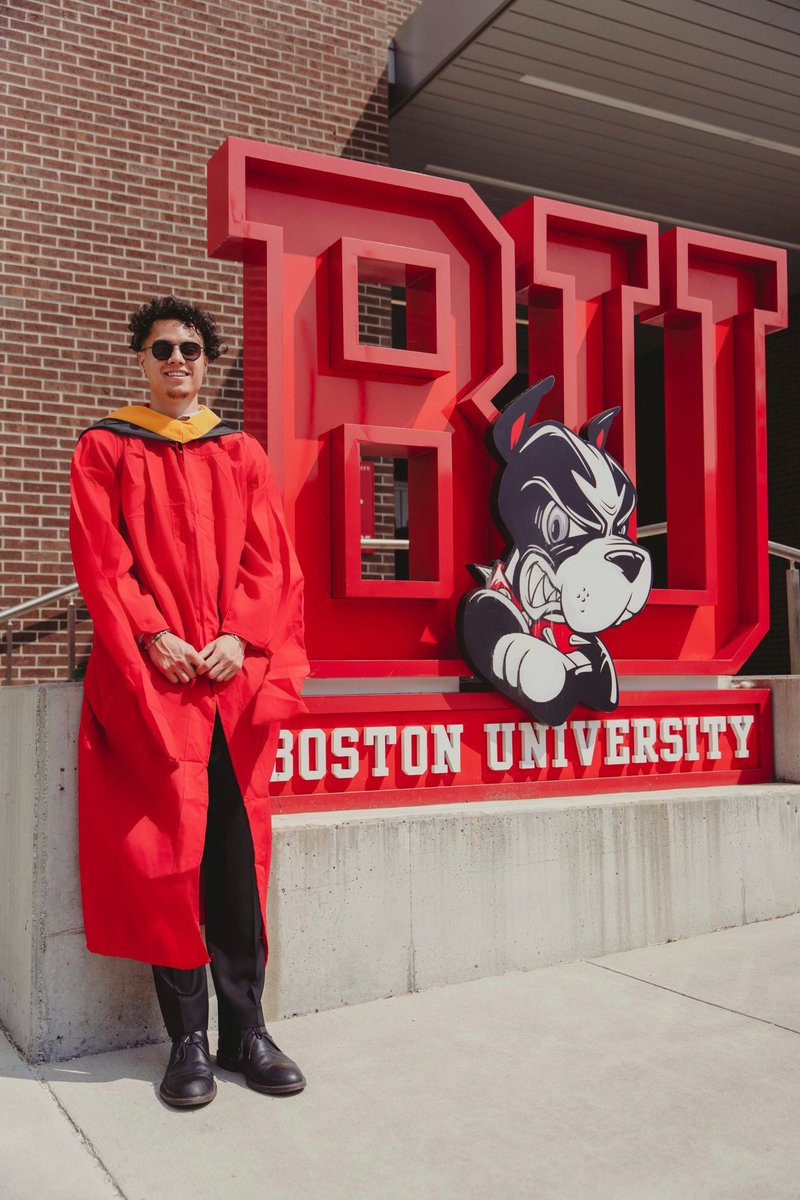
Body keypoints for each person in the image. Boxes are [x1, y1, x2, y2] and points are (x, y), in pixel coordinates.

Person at [69, 296, 308, 1108]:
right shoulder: (106, 447)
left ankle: (249, 1033)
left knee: (237, 866)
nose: (179, 361)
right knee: (168, 863)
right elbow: (103, 561)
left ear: (208, 362)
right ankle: (189, 1043)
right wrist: (148, 635)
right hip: (156, 685)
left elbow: (270, 562)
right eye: (163, 349)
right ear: (141, 359)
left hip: (230, 688)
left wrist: (242, 637)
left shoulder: (240, 451)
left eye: (193, 349)